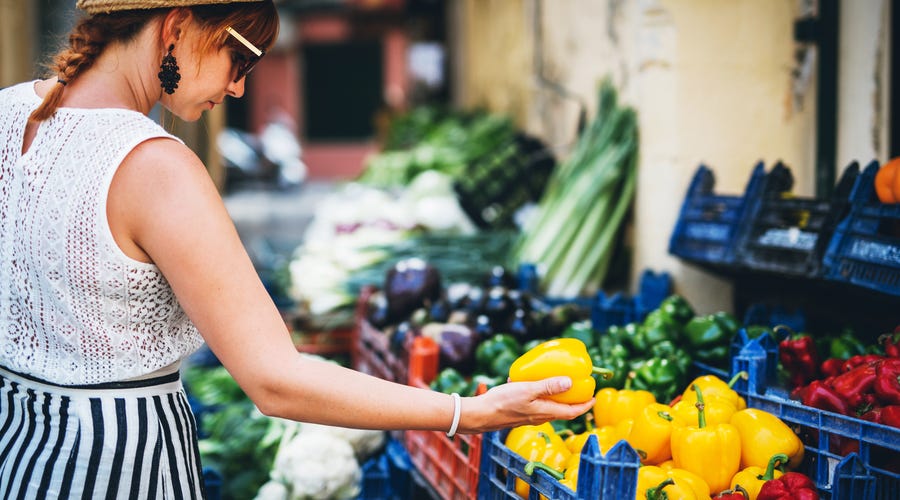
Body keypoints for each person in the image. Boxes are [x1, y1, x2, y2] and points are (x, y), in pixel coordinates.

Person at [0, 0, 594, 498]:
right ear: (177, 27)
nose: (238, 85)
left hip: (18, 450)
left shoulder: (7, 113)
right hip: (118, 467)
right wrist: (469, 413)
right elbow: (276, 380)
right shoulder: (154, 166)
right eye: (241, 56)